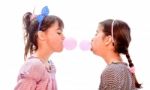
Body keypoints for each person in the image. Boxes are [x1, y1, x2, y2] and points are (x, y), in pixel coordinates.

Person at [14, 6, 65, 90]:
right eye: (59, 32)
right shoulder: (34, 65)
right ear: (41, 35)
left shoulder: (50, 66)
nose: (64, 37)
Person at [91, 19, 141, 90]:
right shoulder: (124, 70)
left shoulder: (112, 71)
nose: (92, 39)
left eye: (96, 34)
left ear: (108, 40)